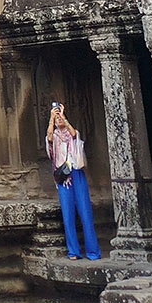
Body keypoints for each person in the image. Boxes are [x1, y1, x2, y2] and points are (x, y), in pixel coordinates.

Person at [46, 101, 101, 261]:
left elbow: (74, 134)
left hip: (76, 173)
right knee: (67, 215)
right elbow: (49, 138)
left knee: (85, 212)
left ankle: (93, 251)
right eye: (57, 119)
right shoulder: (54, 136)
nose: (59, 120)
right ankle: (73, 251)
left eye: (61, 118)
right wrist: (52, 118)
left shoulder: (72, 133)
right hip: (63, 177)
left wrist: (63, 117)